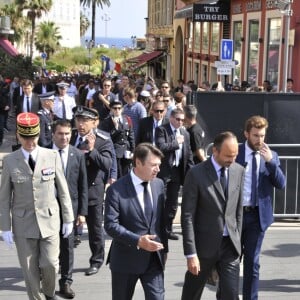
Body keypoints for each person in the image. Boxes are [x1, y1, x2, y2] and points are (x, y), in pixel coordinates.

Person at [0, 112, 74, 300]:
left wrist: (68, 218)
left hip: (50, 220)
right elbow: (4, 197)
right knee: (29, 270)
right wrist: (5, 227)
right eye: (25, 137)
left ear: (38, 134)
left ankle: (49, 294)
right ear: (18, 135)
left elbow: (63, 189)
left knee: (50, 264)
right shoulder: (9, 161)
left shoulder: (51, 156)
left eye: (32, 137)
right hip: (23, 224)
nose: (30, 142)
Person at [181, 131, 244, 300]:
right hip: (203, 248)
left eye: (235, 155)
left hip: (229, 246)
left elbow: (238, 211)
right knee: (191, 294)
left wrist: (238, 242)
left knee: (231, 295)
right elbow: (187, 216)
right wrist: (190, 253)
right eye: (228, 156)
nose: (232, 160)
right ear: (215, 151)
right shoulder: (196, 174)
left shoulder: (238, 171)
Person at [104, 143, 168, 300]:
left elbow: (160, 222)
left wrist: (164, 251)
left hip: (154, 259)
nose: (158, 169)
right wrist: (138, 241)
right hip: (126, 260)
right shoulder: (116, 189)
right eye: (153, 165)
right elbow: (111, 225)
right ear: (138, 162)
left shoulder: (159, 185)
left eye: (159, 165)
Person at [236, 115, 286, 300]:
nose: (260, 140)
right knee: (230, 262)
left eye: (263, 135)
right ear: (246, 134)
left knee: (252, 262)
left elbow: (281, 183)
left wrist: (271, 162)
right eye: (256, 135)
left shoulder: (271, 156)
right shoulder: (236, 152)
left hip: (257, 217)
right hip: (235, 216)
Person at [70, 106, 112, 276]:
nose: (81, 124)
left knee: (95, 230)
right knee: (67, 229)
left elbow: (108, 164)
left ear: (94, 122)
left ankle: (96, 260)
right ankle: (64, 262)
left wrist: (92, 150)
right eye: (78, 120)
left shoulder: (103, 139)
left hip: (92, 190)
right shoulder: (69, 136)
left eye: (85, 121)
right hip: (71, 191)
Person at [52, 119, 88, 299]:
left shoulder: (77, 155)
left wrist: (82, 212)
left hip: (70, 210)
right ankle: (46, 278)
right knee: (47, 246)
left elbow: (83, 185)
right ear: (53, 134)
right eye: (60, 133)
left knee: (67, 247)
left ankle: (66, 281)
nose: (64, 137)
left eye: (67, 134)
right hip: (47, 210)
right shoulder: (43, 152)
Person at [155, 108, 194, 240]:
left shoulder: (185, 133)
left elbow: (188, 155)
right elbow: (161, 147)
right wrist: (176, 143)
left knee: (172, 202)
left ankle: (168, 229)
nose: (180, 122)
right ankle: (157, 229)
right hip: (164, 171)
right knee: (161, 200)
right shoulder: (162, 130)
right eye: (178, 119)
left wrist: (192, 172)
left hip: (177, 172)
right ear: (171, 118)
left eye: (183, 120)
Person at [100, 99, 135, 179]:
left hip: (126, 151)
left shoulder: (127, 119)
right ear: (111, 109)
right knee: (118, 175)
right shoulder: (107, 122)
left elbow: (131, 136)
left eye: (119, 108)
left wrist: (133, 150)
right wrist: (115, 128)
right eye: (115, 108)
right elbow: (106, 138)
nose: (117, 110)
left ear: (122, 109)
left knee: (127, 174)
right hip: (115, 151)